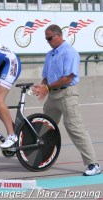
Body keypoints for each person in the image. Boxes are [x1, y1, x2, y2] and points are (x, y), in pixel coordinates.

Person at [33, 24, 101, 176]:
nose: (48, 41)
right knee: (45, 128)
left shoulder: (69, 52)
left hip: (67, 95)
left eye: (49, 38)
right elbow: (46, 76)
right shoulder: (50, 54)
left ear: (58, 35)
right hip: (52, 96)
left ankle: (93, 164)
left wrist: (47, 88)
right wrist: (42, 87)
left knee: (75, 128)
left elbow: (67, 78)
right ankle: (43, 158)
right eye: (46, 39)